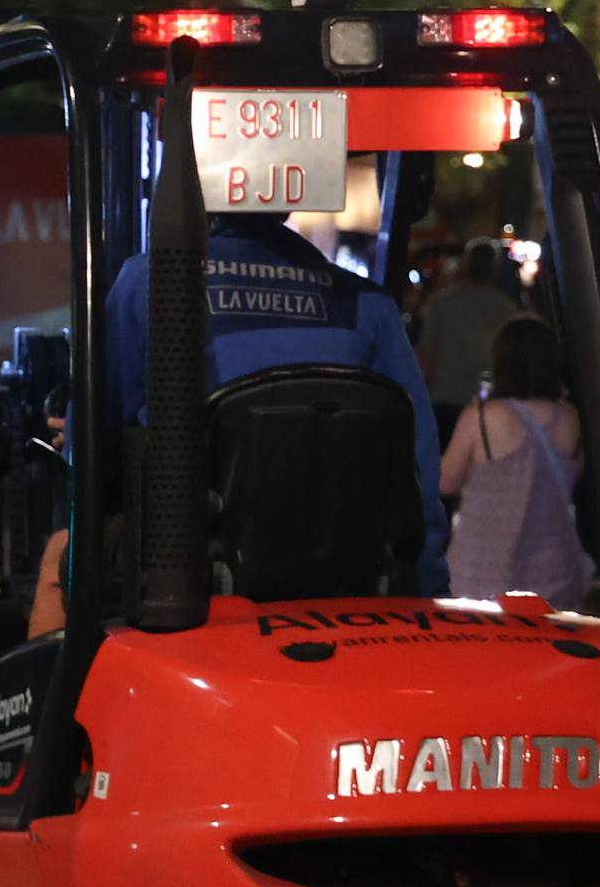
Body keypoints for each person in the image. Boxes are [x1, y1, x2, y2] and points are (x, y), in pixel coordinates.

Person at [31, 206, 449, 637]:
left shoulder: (150, 280)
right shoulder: (367, 303)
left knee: (60, 554)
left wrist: (80, 439)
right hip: (352, 568)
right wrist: (427, 591)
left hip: (195, 564)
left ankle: (55, 705)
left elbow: (91, 440)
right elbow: (416, 460)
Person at [441, 315, 594, 608]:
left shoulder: (482, 417)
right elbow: (575, 477)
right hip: (554, 573)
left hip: (482, 572)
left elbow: (446, 481)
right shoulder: (570, 419)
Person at [416, 240, 520, 446]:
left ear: (466, 263)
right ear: (494, 268)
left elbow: (425, 354)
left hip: (444, 400)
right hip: (486, 404)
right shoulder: (507, 309)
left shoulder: (442, 303)